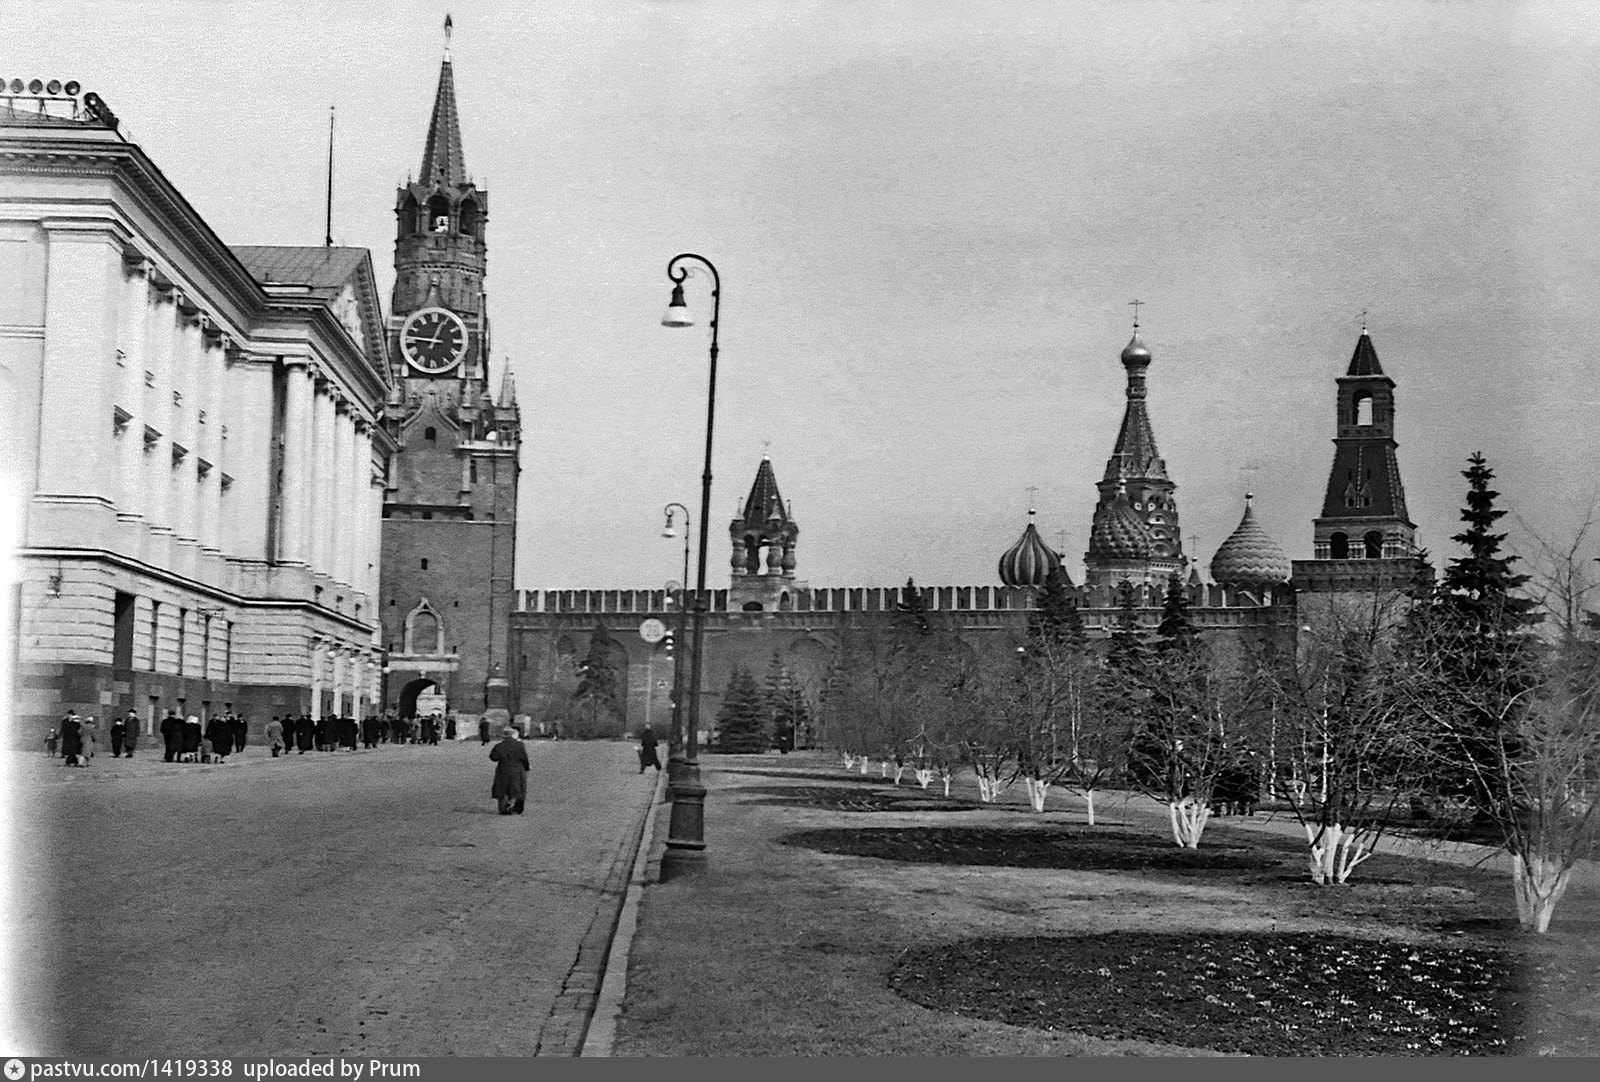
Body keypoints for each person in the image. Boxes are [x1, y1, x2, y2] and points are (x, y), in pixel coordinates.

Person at [489, 725, 530, 815]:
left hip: (503, 769)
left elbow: (493, 757)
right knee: (516, 788)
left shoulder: (499, 746)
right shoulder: (519, 745)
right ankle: (512, 804)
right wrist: (526, 767)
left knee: (502, 789)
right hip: (517, 769)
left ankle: (503, 808)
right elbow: (524, 758)